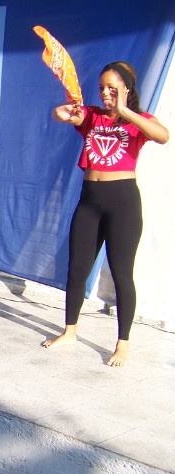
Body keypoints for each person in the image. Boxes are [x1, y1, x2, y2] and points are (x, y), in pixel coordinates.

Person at [42, 61, 169, 367]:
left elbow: (163, 136)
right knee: (77, 269)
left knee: (122, 273)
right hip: (89, 201)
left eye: (113, 87)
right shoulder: (94, 116)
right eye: (102, 87)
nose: (106, 93)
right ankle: (70, 331)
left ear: (127, 88)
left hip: (122, 202)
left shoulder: (138, 121)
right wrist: (73, 109)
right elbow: (58, 114)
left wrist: (125, 112)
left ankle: (122, 344)